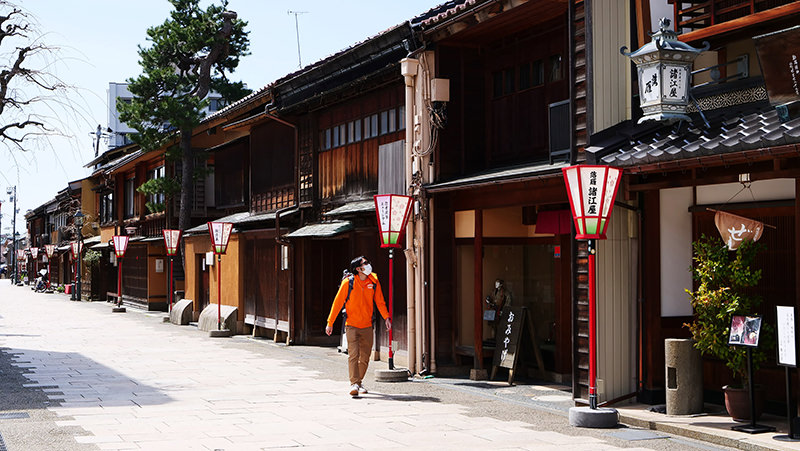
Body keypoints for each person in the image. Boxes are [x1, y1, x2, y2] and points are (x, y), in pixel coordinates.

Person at [326, 256, 391, 397]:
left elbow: (380, 301)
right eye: (365, 263)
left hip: (367, 325)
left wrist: (386, 317)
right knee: (353, 355)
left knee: (365, 357)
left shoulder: (373, 281)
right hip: (351, 325)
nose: (368, 265)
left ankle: (358, 382)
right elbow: (337, 303)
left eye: (368, 262)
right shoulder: (348, 283)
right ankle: (354, 383)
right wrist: (330, 322)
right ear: (358, 268)